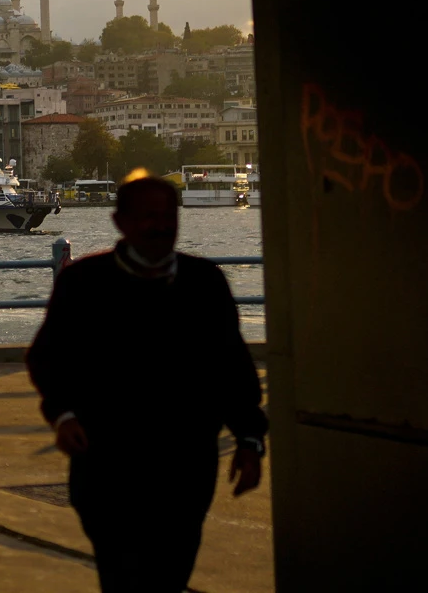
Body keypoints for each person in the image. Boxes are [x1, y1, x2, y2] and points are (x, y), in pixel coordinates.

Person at [26, 176, 266, 593]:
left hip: (186, 461)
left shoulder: (205, 283)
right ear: (121, 222)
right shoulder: (83, 283)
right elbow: (48, 358)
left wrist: (249, 439)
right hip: (107, 459)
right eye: (148, 217)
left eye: (168, 216)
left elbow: (232, 367)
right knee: (122, 571)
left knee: (173, 566)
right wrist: (63, 415)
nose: (159, 226)